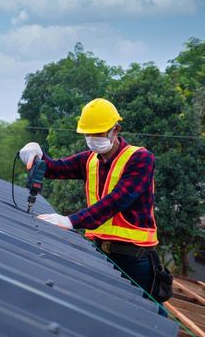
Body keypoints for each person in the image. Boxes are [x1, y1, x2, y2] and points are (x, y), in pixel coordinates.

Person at [19, 98, 172, 312]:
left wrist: (71, 221)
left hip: (132, 258)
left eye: (98, 133)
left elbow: (119, 200)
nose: (92, 139)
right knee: (105, 312)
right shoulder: (89, 160)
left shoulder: (141, 159)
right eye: (88, 134)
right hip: (99, 252)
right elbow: (55, 168)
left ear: (115, 129)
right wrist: (37, 154)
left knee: (144, 315)